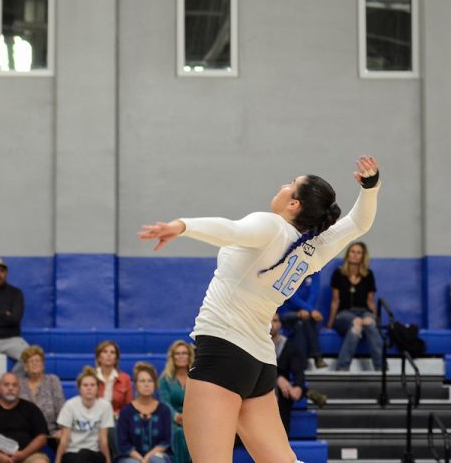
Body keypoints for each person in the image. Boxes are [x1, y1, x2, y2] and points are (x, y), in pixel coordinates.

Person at [137, 156, 380, 463]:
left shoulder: (272, 225)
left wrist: (181, 226)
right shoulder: (313, 250)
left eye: (291, 184)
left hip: (222, 354)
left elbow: (229, 230)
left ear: (294, 204)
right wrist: (370, 188)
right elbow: (359, 223)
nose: (283, 185)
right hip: (259, 365)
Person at [327, 241, 384, 372]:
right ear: (348, 254)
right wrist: (330, 323)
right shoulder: (338, 274)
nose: (355, 255)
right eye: (352, 252)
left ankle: (381, 369)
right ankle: (342, 367)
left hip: (364, 312)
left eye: (359, 253)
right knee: (356, 324)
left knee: (369, 323)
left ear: (363, 256)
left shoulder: (368, 275)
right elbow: (335, 301)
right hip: (344, 314)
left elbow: (370, 302)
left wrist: (374, 319)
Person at [0, 372, 50, 463]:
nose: (11, 388)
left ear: (19, 389)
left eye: (14, 385)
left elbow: (42, 437)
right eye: (6, 385)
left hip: (28, 455)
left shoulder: (31, 409)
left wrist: (23, 454)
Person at [55, 366, 114, 463]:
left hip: (95, 453)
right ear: (79, 388)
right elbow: (65, 438)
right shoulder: (70, 405)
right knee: (80, 456)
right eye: (85, 385)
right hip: (72, 452)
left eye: (92, 385)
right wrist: (57, 461)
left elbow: (103, 440)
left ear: (98, 388)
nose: (89, 388)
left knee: (84, 454)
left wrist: (108, 461)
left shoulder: (105, 406)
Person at [116, 362, 172, 463]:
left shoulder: (164, 410)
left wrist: (147, 458)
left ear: (155, 384)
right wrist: (141, 459)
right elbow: (123, 444)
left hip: (157, 455)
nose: (146, 384)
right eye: (142, 381)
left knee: (157, 460)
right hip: (131, 457)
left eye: (150, 381)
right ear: (136, 385)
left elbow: (166, 441)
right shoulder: (126, 411)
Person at [18, 345, 66, 449]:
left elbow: (61, 408)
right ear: (26, 366)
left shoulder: (52, 380)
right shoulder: (19, 384)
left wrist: (62, 430)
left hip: (50, 433)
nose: (35, 363)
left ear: (43, 364)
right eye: (31, 361)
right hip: (25, 433)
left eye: (38, 360)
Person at [277, 273, 326, 369]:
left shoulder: (316, 272)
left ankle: (302, 364)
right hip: (287, 312)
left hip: (306, 315)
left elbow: (314, 293)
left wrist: (307, 311)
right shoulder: (292, 269)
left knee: (300, 325)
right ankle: (317, 356)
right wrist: (309, 310)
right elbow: (291, 296)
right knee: (305, 321)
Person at [269, 313, 306, 434]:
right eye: (268, 321)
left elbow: (298, 370)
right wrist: (276, 378)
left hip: (282, 390)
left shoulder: (288, 345)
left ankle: (281, 437)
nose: (271, 325)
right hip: (258, 385)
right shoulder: (254, 344)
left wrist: (298, 387)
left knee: (286, 391)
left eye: (274, 321)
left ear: (279, 324)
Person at [158, 341, 193, 463]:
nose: (181, 356)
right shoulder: (165, 379)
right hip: (173, 418)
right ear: (172, 357)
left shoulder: (197, 377)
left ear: (189, 355)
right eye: (177, 354)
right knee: (179, 432)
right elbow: (164, 403)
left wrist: (189, 417)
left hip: (195, 417)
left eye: (184, 353)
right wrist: (176, 416)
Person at [95, 340, 133, 417]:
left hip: (117, 420)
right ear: (99, 357)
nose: (108, 355)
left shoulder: (125, 379)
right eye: (105, 352)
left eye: (112, 352)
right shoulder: (90, 377)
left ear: (116, 359)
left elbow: (128, 407)